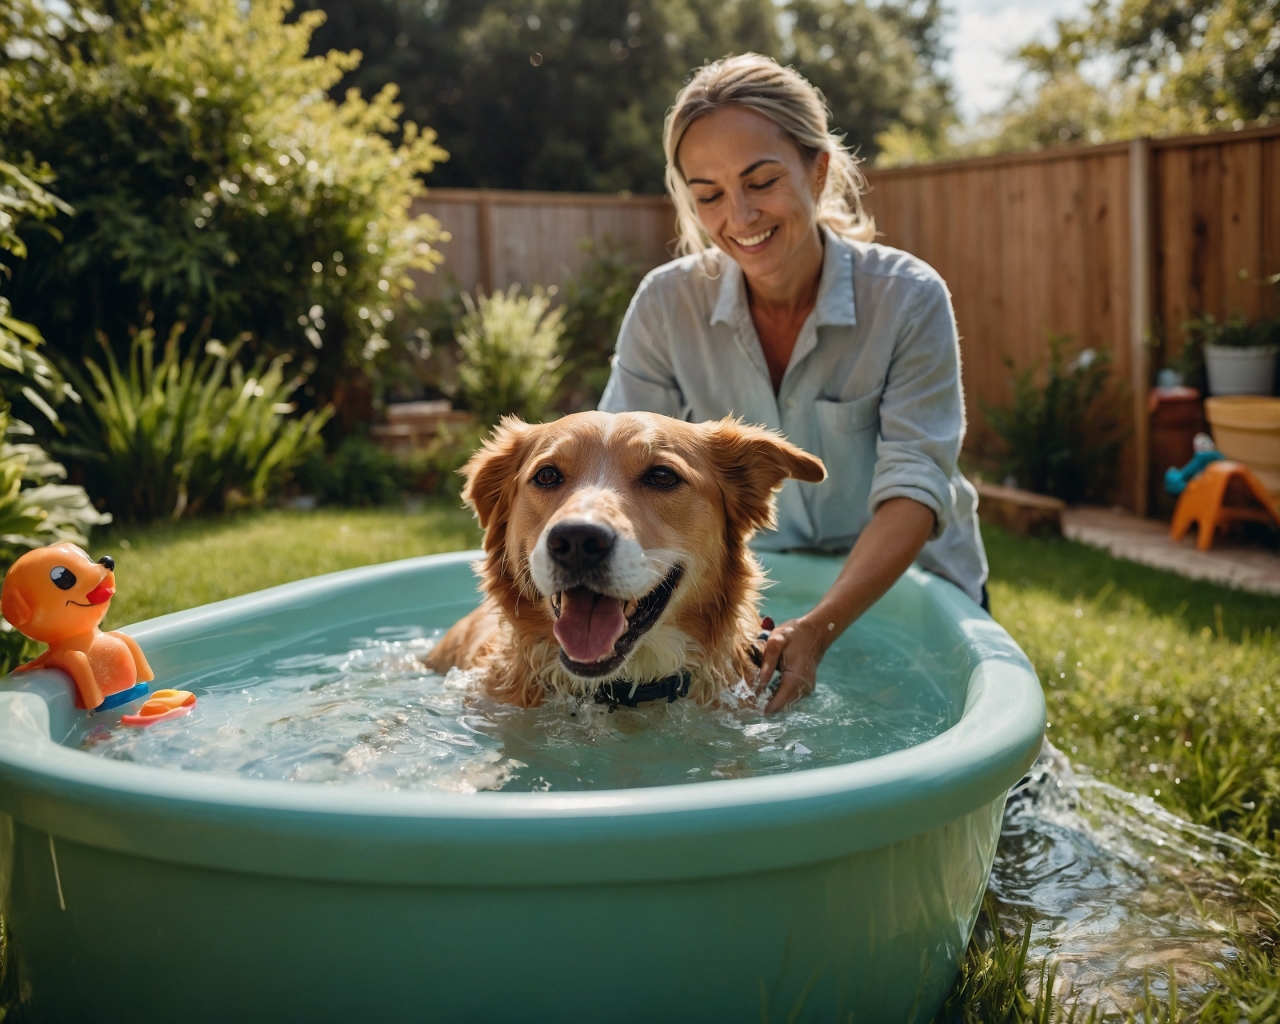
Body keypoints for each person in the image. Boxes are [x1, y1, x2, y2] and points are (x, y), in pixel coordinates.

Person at [598, 53, 988, 713]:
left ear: (818, 168)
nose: (740, 216)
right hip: (761, 590)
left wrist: (821, 626)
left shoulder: (909, 298)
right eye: (710, 194)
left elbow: (916, 488)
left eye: (761, 180)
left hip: (911, 588)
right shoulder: (665, 306)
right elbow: (609, 466)